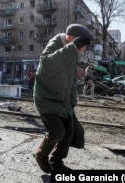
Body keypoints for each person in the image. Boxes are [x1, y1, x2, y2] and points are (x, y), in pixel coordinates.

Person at [33, 23, 93, 173]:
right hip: (46, 99)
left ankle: (57, 161)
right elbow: (47, 64)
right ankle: (41, 156)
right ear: (71, 39)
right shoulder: (55, 44)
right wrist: (72, 48)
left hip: (62, 101)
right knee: (57, 132)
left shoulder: (72, 53)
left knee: (70, 130)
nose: (83, 50)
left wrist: (72, 101)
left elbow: (72, 80)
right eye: (82, 46)